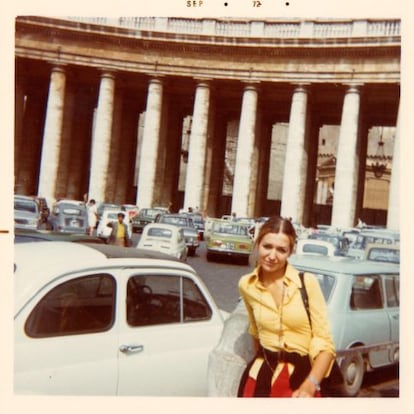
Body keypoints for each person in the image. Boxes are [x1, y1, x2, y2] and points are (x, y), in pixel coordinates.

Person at [237, 216, 335, 398]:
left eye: (281, 250)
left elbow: (325, 344)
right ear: (258, 244)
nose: (272, 256)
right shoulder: (246, 285)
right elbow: (255, 334)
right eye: (267, 246)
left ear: (290, 252)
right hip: (259, 378)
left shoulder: (307, 283)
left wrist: (310, 385)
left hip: (302, 382)